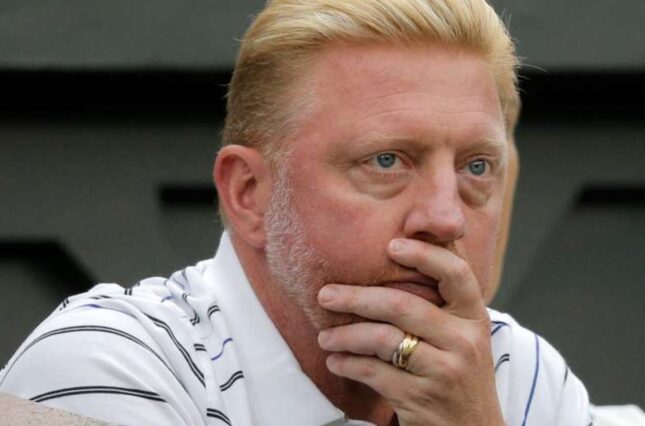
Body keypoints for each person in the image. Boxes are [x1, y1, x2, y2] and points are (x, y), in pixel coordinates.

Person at [0, 1, 593, 425]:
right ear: (249, 194)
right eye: (386, 160)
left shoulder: (518, 375)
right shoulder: (111, 362)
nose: (445, 218)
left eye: (477, 167)